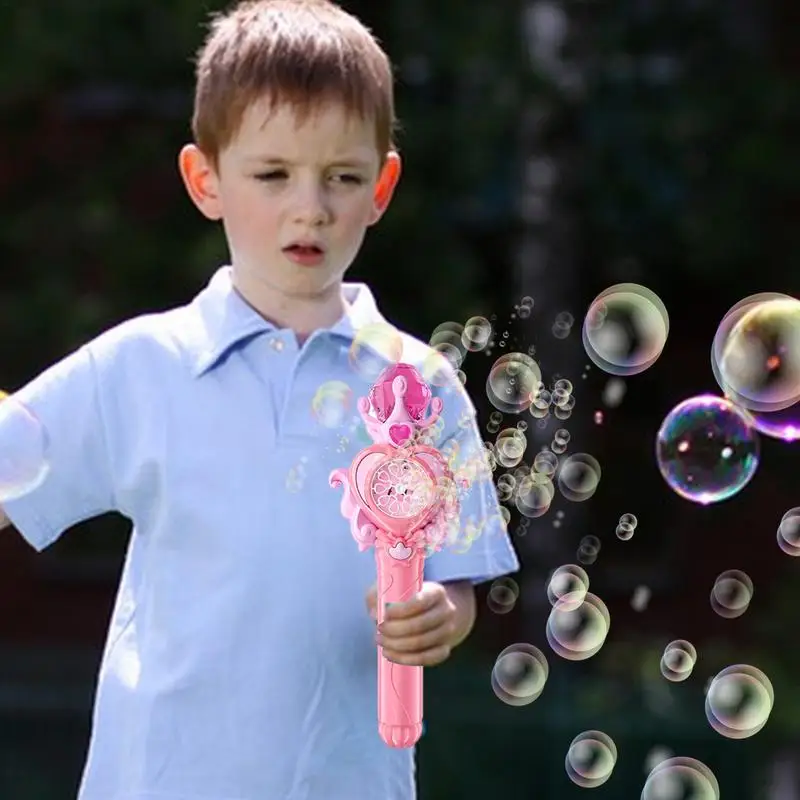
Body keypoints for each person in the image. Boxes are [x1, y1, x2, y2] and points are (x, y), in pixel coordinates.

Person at [0, 1, 520, 798]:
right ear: (204, 179)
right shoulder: (143, 366)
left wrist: (438, 614)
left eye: (341, 177)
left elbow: (455, 586)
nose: (309, 206)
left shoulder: (418, 388)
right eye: (273, 174)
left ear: (381, 187)